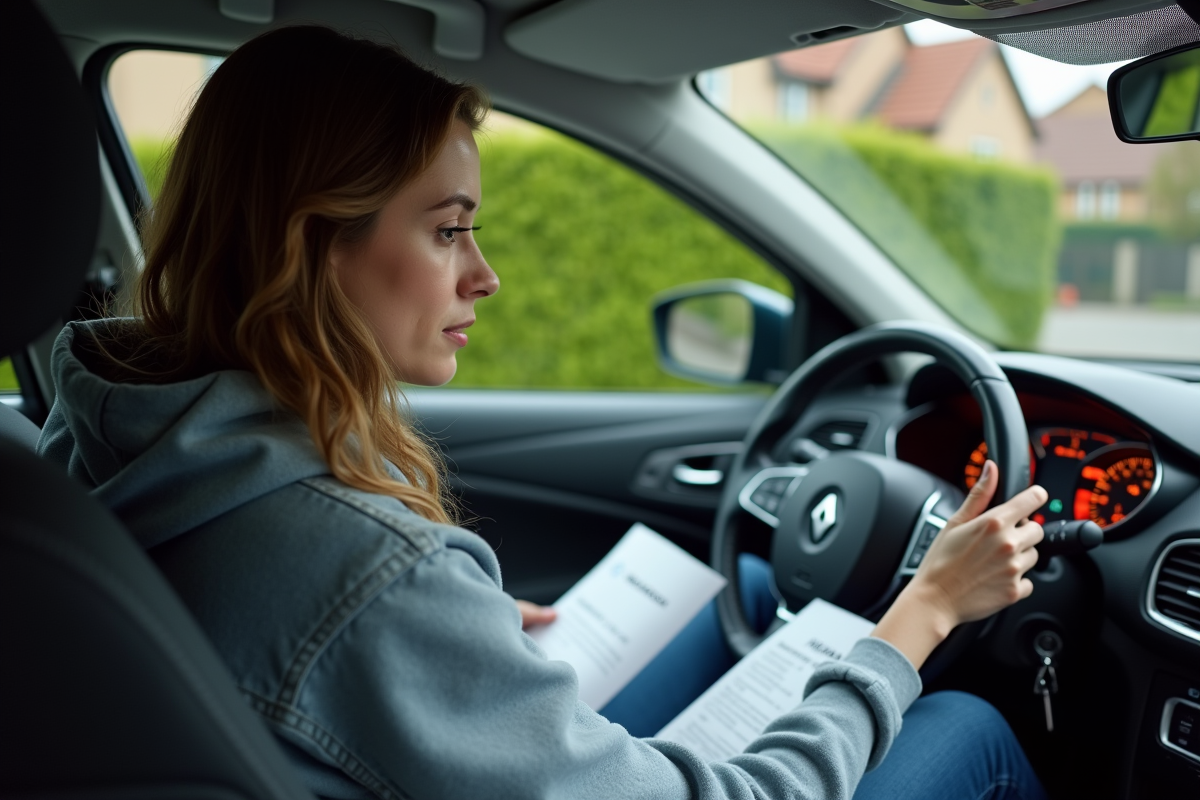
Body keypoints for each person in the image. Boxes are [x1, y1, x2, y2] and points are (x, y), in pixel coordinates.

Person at [39, 25, 1049, 800]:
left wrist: (451, 638)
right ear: (312, 248)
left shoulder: (92, 437)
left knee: (705, 625)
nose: (486, 276)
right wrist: (918, 616)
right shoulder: (369, 573)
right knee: (964, 724)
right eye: (448, 231)